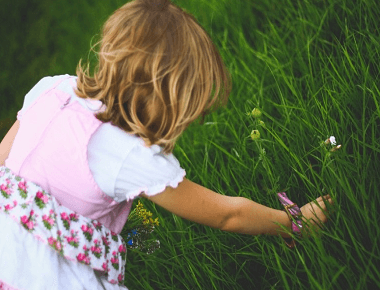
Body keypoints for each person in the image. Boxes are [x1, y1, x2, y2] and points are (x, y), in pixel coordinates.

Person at [0, 0, 335, 289]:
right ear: (171, 99)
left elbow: (4, 163)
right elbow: (227, 215)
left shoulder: (52, 89)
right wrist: (295, 222)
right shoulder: (130, 153)